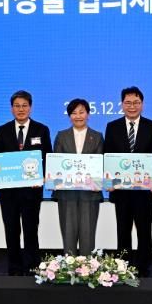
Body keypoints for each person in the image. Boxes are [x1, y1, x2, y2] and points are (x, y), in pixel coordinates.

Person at [104, 86, 152, 277]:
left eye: (136, 102)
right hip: (121, 192)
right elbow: (107, 156)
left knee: (144, 231)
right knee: (123, 230)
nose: (132, 106)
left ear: (142, 104)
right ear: (122, 105)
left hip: (145, 192)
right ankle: (123, 266)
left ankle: (144, 267)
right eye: (128, 102)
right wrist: (108, 181)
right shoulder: (112, 127)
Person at [0, 90, 52, 275]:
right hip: (8, 193)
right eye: (17, 106)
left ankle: (32, 267)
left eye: (24, 106)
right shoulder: (2, 130)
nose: (21, 109)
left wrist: (42, 177)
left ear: (30, 107)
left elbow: (48, 158)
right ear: (11, 108)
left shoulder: (41, 130)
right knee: (11, 231)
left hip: (31, 192)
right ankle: (14, 269)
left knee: (31, 231)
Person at [52, 98, 104, 255]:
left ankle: (87, 267)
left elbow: (101, 163)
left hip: (90, 194)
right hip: (66, 193)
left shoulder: (97, 136)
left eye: (82, 112)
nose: (78, 116)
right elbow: (56, 163)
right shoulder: (61, 136)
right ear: (69, 116)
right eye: (74, 113)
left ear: (88, 114)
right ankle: (69, 267)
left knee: (88, 235)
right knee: (68, 235)